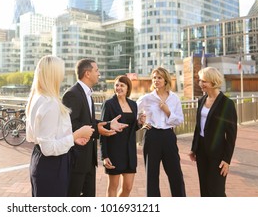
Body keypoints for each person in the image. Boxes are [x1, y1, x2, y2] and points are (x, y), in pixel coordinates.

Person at [25, 55, 94, 197]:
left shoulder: (36, 98)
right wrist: (76, 134)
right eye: (60, 72)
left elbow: (33, 136)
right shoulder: (50, 103)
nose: (62, 76)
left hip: (40, 161)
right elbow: (49, 148)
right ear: (54, 74)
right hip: (52, 166)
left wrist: (71, 138)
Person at [62, 58, 128, 197]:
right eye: (96, 70)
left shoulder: (87, 94)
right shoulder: (72, 94)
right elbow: (71, 126)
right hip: (77, 160)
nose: (99, 74)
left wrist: (109, 124)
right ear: (87, 73)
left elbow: (89, 121)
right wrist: (98, 130)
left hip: (89, 160)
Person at [136, 67, 186, 197]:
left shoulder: (174, 98)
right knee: (151, 175)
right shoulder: (147, 98)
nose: (156, 80)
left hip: (168, 136)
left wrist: (167, 111)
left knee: (175, 173)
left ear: (165, 80)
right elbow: (133, 111)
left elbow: (179, 120)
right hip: (152, 135)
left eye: (159, 77)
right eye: (154, 78)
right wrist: (140, 121)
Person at [189, 67, 237, 197]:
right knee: (204, 189)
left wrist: (227, 160)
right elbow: (198, 127)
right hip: (201, 150)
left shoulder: (227, 104)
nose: (201, 84)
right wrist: (194, 148)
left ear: (213, 82)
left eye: (204, 81)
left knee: (216, 191)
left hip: (218, 153)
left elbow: (231, 135)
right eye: (200, 80)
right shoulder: (201, 100)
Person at [100, 75, 140, 197]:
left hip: (130, 152)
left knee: (128, 187)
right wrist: (104, 155)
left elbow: (132, 128)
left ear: (128, 88)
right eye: (117, 85)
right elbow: (103, 129)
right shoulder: (109, 104)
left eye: (122, 85)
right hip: (114, 151)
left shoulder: (133, 105)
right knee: (113, 187)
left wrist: (139, 123)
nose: (119, 87)